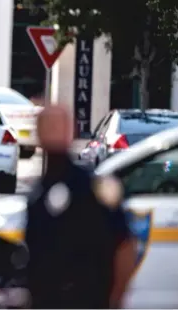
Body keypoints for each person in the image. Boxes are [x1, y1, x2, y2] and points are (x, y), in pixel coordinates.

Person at [24, 105, 137, 309]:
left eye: (58, 126)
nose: (52, 133)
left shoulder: (95, 189)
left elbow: (125, 245)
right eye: (47, 126)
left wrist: (117, 297)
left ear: (71, 131)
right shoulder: (37, 194)